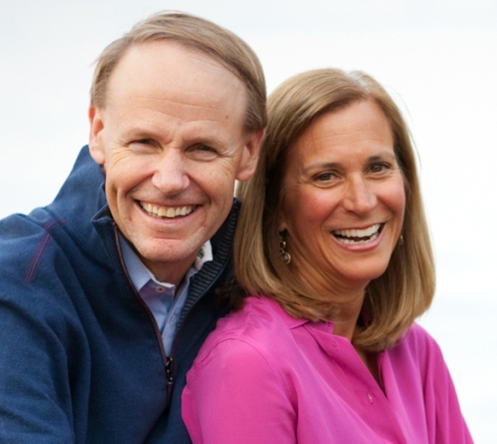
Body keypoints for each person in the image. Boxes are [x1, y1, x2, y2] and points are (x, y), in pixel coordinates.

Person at [0, 11, 265, 443]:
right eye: (144, 142)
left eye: (202, 148)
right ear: (98, 133)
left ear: (249, 152)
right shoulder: (10, 281)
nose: (170, 179)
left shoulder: (259, 268)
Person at [182, 68, 473, 443]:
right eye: (326, 176)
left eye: (378, 168)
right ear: (277, 209)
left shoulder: (417, 353)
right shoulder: (249, 363)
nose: (363, 201)